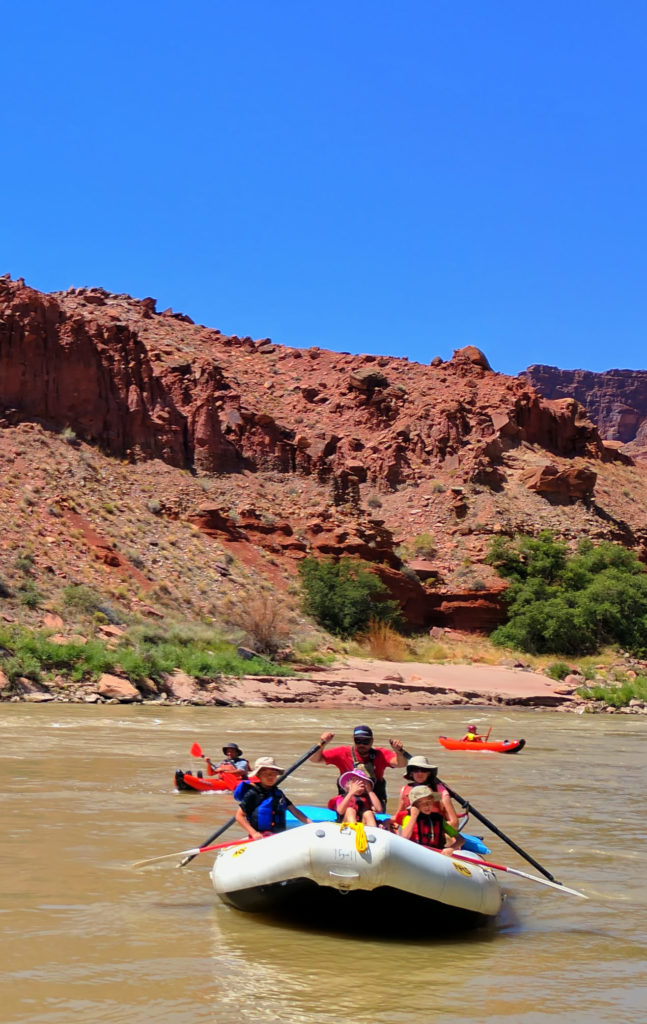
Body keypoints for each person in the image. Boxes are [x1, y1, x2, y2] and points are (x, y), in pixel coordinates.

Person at [310, 724, 407, 811]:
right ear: (353, 739)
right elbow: (314, 759)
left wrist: (399, 752)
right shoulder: (342, 752)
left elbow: (401, 764)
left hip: (374, 798)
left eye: (366, 741)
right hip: (349, 796)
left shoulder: (380, 753)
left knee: (371, 813)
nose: (362, 744)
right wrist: (323, 743)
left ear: (372, 741)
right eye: (358, 740)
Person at [235, 756, 312, 840]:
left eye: (273, 774)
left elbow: (295, 811)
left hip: (278, 836)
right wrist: (254, 833)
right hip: (260, 837)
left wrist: (310, 823)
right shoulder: (253, 794)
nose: (270, 777)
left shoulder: (278, 793)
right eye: (266, 774)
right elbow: (239, 816)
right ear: (258, 775)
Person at [390, 755, 462, 840]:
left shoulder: (439, 790)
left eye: (423, 770)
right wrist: (385, 822)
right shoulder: (405, 790)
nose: (420, 773)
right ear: (411, 773)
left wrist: (437, 829)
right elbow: (398, 815)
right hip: (411, 829)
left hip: (434, 830)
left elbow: (454, 823)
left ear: (428, 772)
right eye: (416, 770)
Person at [401, 785, 462, 855]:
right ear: (415, 806)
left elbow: (460, 839)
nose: (427, 805)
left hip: (435, 855)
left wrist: (451, 848)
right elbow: (404, 839)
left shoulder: (438, 819)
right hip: (416, 853)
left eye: (429, 801)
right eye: (421, 803)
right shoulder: (408, 818)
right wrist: (414, 816)